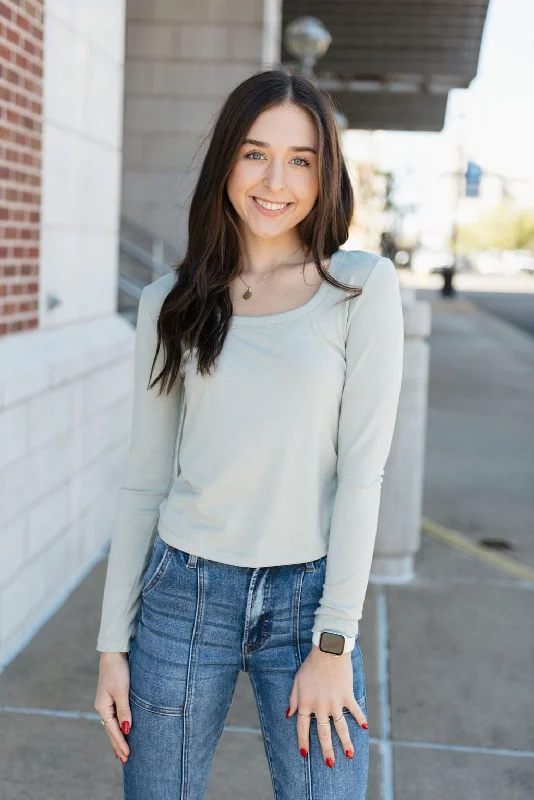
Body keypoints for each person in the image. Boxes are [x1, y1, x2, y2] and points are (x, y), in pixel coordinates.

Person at [94, 68, 404, 800]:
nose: (276, 180)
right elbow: (144, 477)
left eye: (301, 159)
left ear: (325, 175)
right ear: (226, 160)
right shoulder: (169, 301)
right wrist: (112, 645)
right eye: (255, 153)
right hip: (183, 594)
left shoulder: (359, 289)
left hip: (309, 603)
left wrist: (335, 643)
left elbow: (362, 477)